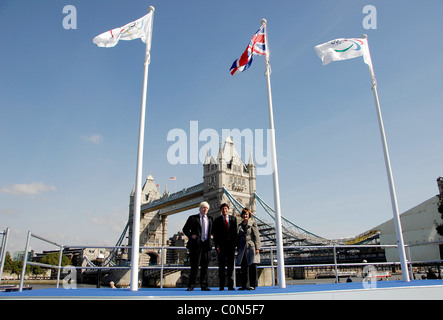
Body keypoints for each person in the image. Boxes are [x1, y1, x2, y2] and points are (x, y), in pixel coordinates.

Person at [182, 201, 213, 291]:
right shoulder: (192, 218)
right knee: (194, 266)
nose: (205, 209)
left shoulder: (210, 219)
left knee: (205, 266)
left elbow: (213, 230)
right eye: (203, 208)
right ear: (200, 209)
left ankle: (204, 285)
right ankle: (191, 285)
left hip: (206, 245)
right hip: (196, 245)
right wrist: (191, 235)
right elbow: (185, 229)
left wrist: (212, 236)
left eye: (206, 208)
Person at [212, 203, 238, 291]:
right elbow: (215, 235)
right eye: (223, 209)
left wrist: (235, 245)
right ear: (221, 210)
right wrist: (217, 246)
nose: (224, 210)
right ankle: (221, 286)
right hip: (222, 246)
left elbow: (235, 233)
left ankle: (230, 285)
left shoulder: (233, 219)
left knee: (231, 267)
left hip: (231, 246)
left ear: (228, 209)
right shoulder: (217, 220)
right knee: (221, 267)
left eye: (226, 209)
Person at [236, 207, 261, 290]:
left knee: (252, 266)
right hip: (242, 247)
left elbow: (256, 236)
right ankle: (244, 285)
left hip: (250, 246)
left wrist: (257, 248)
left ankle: (253, 285)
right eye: (243, 214)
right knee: (244, 267)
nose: (245, 215)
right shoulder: (239, 225)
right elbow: (238, 237)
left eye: (246, 214)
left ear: (249, 215)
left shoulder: (253, 223)